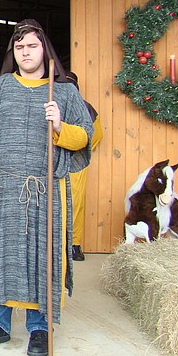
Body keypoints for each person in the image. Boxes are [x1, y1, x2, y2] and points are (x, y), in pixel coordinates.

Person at [0, 19, 93, 356]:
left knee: (44, 257)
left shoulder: (64, 92)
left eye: (32, 46)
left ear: (45, 50)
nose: (26, 52)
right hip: (4, 187)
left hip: (46, 188)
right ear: (14, 52)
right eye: (20, 47)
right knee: (0, 255)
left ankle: (40, 329)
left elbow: (85, 136)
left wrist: (59, 126)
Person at [65, 71, 103, 261]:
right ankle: (72, 245)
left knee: (73, 205)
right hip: (72, 162)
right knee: (74, 205)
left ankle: (72, 244)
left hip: (72, 163)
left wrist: (78, 147)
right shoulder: (86, 107)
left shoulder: (85, 108)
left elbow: (96, 135)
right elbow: (97, 135)